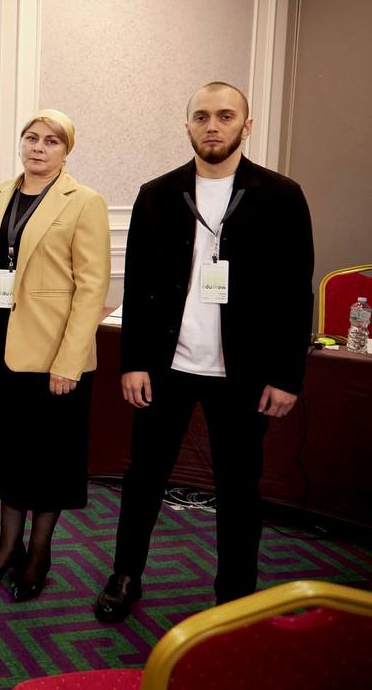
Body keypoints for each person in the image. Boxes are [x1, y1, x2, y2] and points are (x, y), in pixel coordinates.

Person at [94, 81, 314, 622]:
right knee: (144, 478)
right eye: (202, 116)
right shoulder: (157, 194)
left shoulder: (282, 196)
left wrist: (287, 376)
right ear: (188, 125)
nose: (212, 125)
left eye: (225, 115)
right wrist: (133, 361)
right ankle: (125, 576)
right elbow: (138, 285)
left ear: (247, 125)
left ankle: (234, 594)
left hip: (244, 371)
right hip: (166, 366)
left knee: (239, 488)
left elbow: (295, 294)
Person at [0, 109, 110, 601]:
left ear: (66, 150)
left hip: (53, 357)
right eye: (32, 138)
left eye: (52, 141)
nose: (39, 147)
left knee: (49, 460)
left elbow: (92, 288)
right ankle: (6, 548)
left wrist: (69, 361)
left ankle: (39, 553)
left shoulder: (84, 202)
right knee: (9, 453)